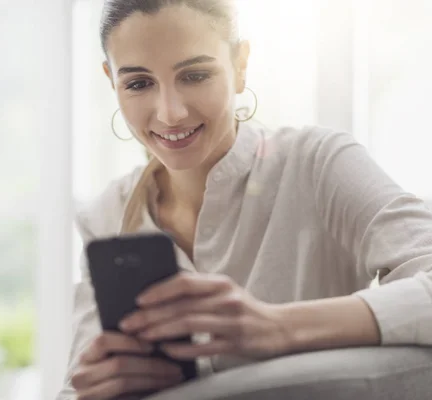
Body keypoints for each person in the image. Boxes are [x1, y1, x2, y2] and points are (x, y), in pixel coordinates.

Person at [57, 1, 432, 399]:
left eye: (195, 75)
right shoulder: (107, 216)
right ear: (111, 80)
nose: (170, 113)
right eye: (138, 83)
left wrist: (278, 327)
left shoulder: (318, 163)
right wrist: (97, 386)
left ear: (240, 65)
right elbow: (73, 388)